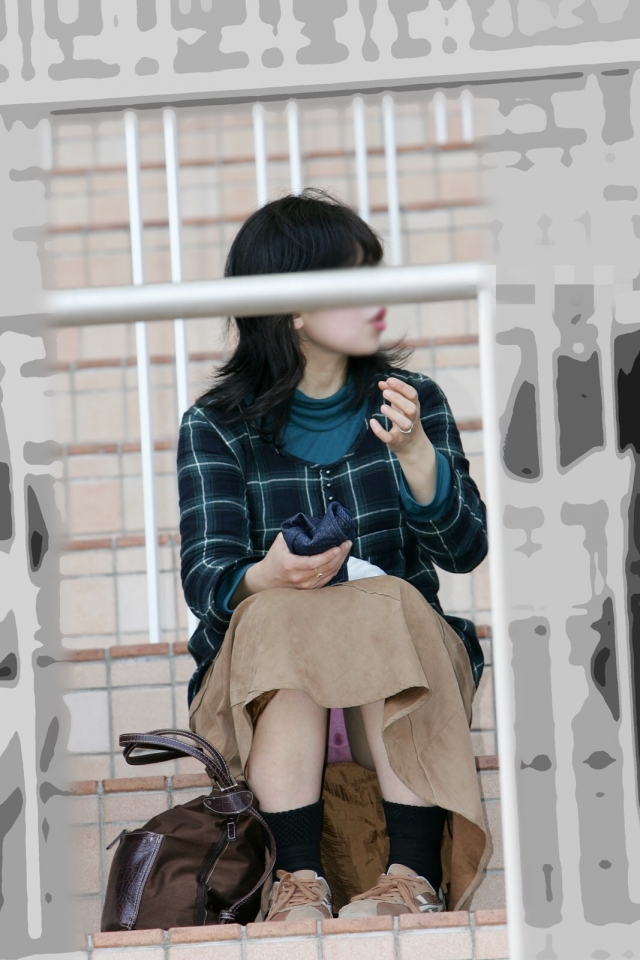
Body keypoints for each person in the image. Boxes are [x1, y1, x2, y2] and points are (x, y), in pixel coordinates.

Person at [177, 187, 490, 923]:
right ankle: (297, 882)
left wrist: (416, 457)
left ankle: (411, 876)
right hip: (271, 692)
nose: (377, 297)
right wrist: (267, 575)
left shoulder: (411, 400)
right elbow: (206, 578)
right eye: (353, 279)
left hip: (404, 679)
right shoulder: (216, 425)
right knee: (279, 611)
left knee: (381, 601)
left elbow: (465, 549)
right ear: (291, 306)